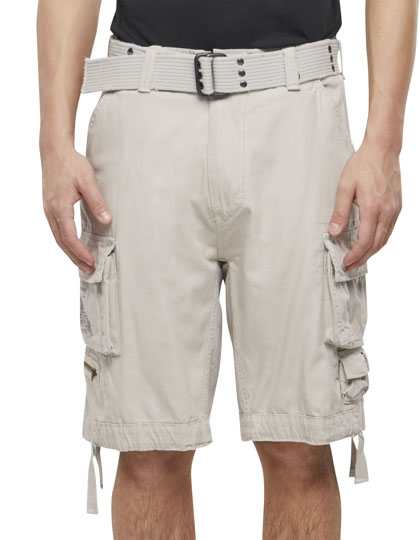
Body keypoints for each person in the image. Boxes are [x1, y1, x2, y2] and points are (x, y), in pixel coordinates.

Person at [37, 1, 417, 538]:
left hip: (297, 104)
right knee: (148, 445)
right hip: (146, 102)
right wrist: (53, 141)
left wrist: (384, 143)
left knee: (300, 440)